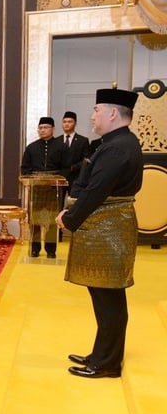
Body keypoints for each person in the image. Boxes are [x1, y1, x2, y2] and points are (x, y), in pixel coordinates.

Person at [56, 87, 143, 379]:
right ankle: (101, 354)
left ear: (113, 113)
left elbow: (97, 191)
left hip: (110, 231)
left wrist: (69, 219)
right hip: (106, 229)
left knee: (109, 298)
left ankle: (107, 363)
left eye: (96, 110)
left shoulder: (118, 146)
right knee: (105, 296)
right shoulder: (116, 142)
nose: (92, 116)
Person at [21, 116, 69, 258]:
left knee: (52, 220)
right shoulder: (31, 147)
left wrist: (55, 178)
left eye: (46, 127)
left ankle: (51, 250)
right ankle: (35, 248)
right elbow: (25, 168)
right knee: (35, 219)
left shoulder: (62, 147)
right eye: (40, 128)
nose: (43, 130)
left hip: (54, 189)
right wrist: (34, 178)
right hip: (36, 188)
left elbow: (66, 168)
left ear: (53, 129)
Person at [61, 111, 90, 188]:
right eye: (64, 122)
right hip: (60, 178)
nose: (66, 124)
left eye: (70, 122)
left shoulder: (83, 140)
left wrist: (73, 168)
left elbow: (86, 159)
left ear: (75, 123)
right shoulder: (57, 140)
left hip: (75, 177)